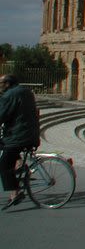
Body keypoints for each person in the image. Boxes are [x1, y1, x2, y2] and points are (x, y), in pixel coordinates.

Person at [0, 74, 40, 210]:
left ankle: (15, 193)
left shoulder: (9, 95)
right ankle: (18, 165)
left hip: (19, 136)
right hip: (31, 134)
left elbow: (2, 115)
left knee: (4, 165)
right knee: (8, 150)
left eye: (1, 82)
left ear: (7, 84)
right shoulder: (26, 92)